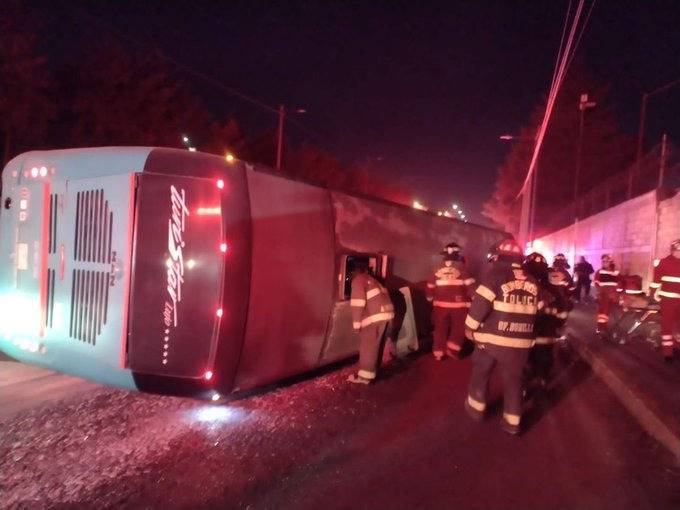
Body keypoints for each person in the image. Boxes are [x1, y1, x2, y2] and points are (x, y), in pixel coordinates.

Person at [463, 239, 539, 435]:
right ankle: (513, 423)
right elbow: (539, 307)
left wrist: (469, 328)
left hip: (492, 340)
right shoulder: (532, 280)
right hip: (521, 343)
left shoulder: (495, 276)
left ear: (498, 257)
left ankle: (476, 409)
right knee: (514, 382)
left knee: (481, 372)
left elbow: (480, 304)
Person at [526, 261, 571, 392]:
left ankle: (530, 382)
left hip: (526, 335)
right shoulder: (554, 291)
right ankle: (541, 380)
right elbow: (563, 313)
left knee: (526, 361)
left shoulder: (523, 289)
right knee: (545, 357)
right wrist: (557, 325)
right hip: (548, 334)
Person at [348, 263, 395, 384]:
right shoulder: (372, 280)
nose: (350, 276)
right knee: (376, 346)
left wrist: (357, 324)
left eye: (350, 273)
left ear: (355, 272)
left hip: (374, 318)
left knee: (368, 347)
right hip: (386, 315)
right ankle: (373, 371)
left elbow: (358, 303)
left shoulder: (358, 280)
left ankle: (365, 378)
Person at [426, 250, 475, 360]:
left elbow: (430, 285)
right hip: (459, 305)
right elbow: (471, 286)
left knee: (439, 328)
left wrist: (429, 297)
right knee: (459, 327)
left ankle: (438, 353)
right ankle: (452, 348)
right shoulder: (462, 269)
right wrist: (474, 299)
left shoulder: (437, 270)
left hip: (440, 305)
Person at [650, 239, 680, 362]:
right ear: (672, 250)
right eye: (678, 251)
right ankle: (668, 352)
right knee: (667, 325)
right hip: (668, 301)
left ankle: (677, 346)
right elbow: (656, 281)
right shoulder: (664, 263)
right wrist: (652, 296)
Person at [594, 254, 620, 337]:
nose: (604, 263)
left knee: (610, 314)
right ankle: (601, 328)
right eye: (603, 261)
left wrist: (616, 294)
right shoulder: (599, 272)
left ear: (610, 261)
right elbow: (597, 284)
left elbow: (618, 284)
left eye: (606, 261)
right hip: (603, 296)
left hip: (613, 297)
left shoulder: (615, 272)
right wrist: (600, 294)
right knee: (602, 313)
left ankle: (607, 328)